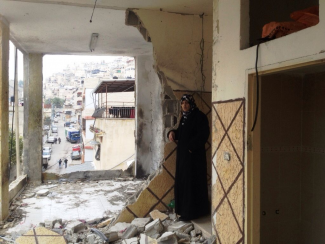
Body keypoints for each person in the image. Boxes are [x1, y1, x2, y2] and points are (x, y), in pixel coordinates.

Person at [168, 94, 210, 221]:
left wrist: (191, 147)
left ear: (191, 104)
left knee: (192, 183)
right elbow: (182, 132)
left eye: (186, 103)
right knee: (184, 182)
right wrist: (172, 133)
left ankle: (193, 213)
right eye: (182, 103)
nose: (184, 106)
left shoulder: (199, 117)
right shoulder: (185, 118)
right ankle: (184, 211)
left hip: (194, 159)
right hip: (184, 158)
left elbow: (204, 134)